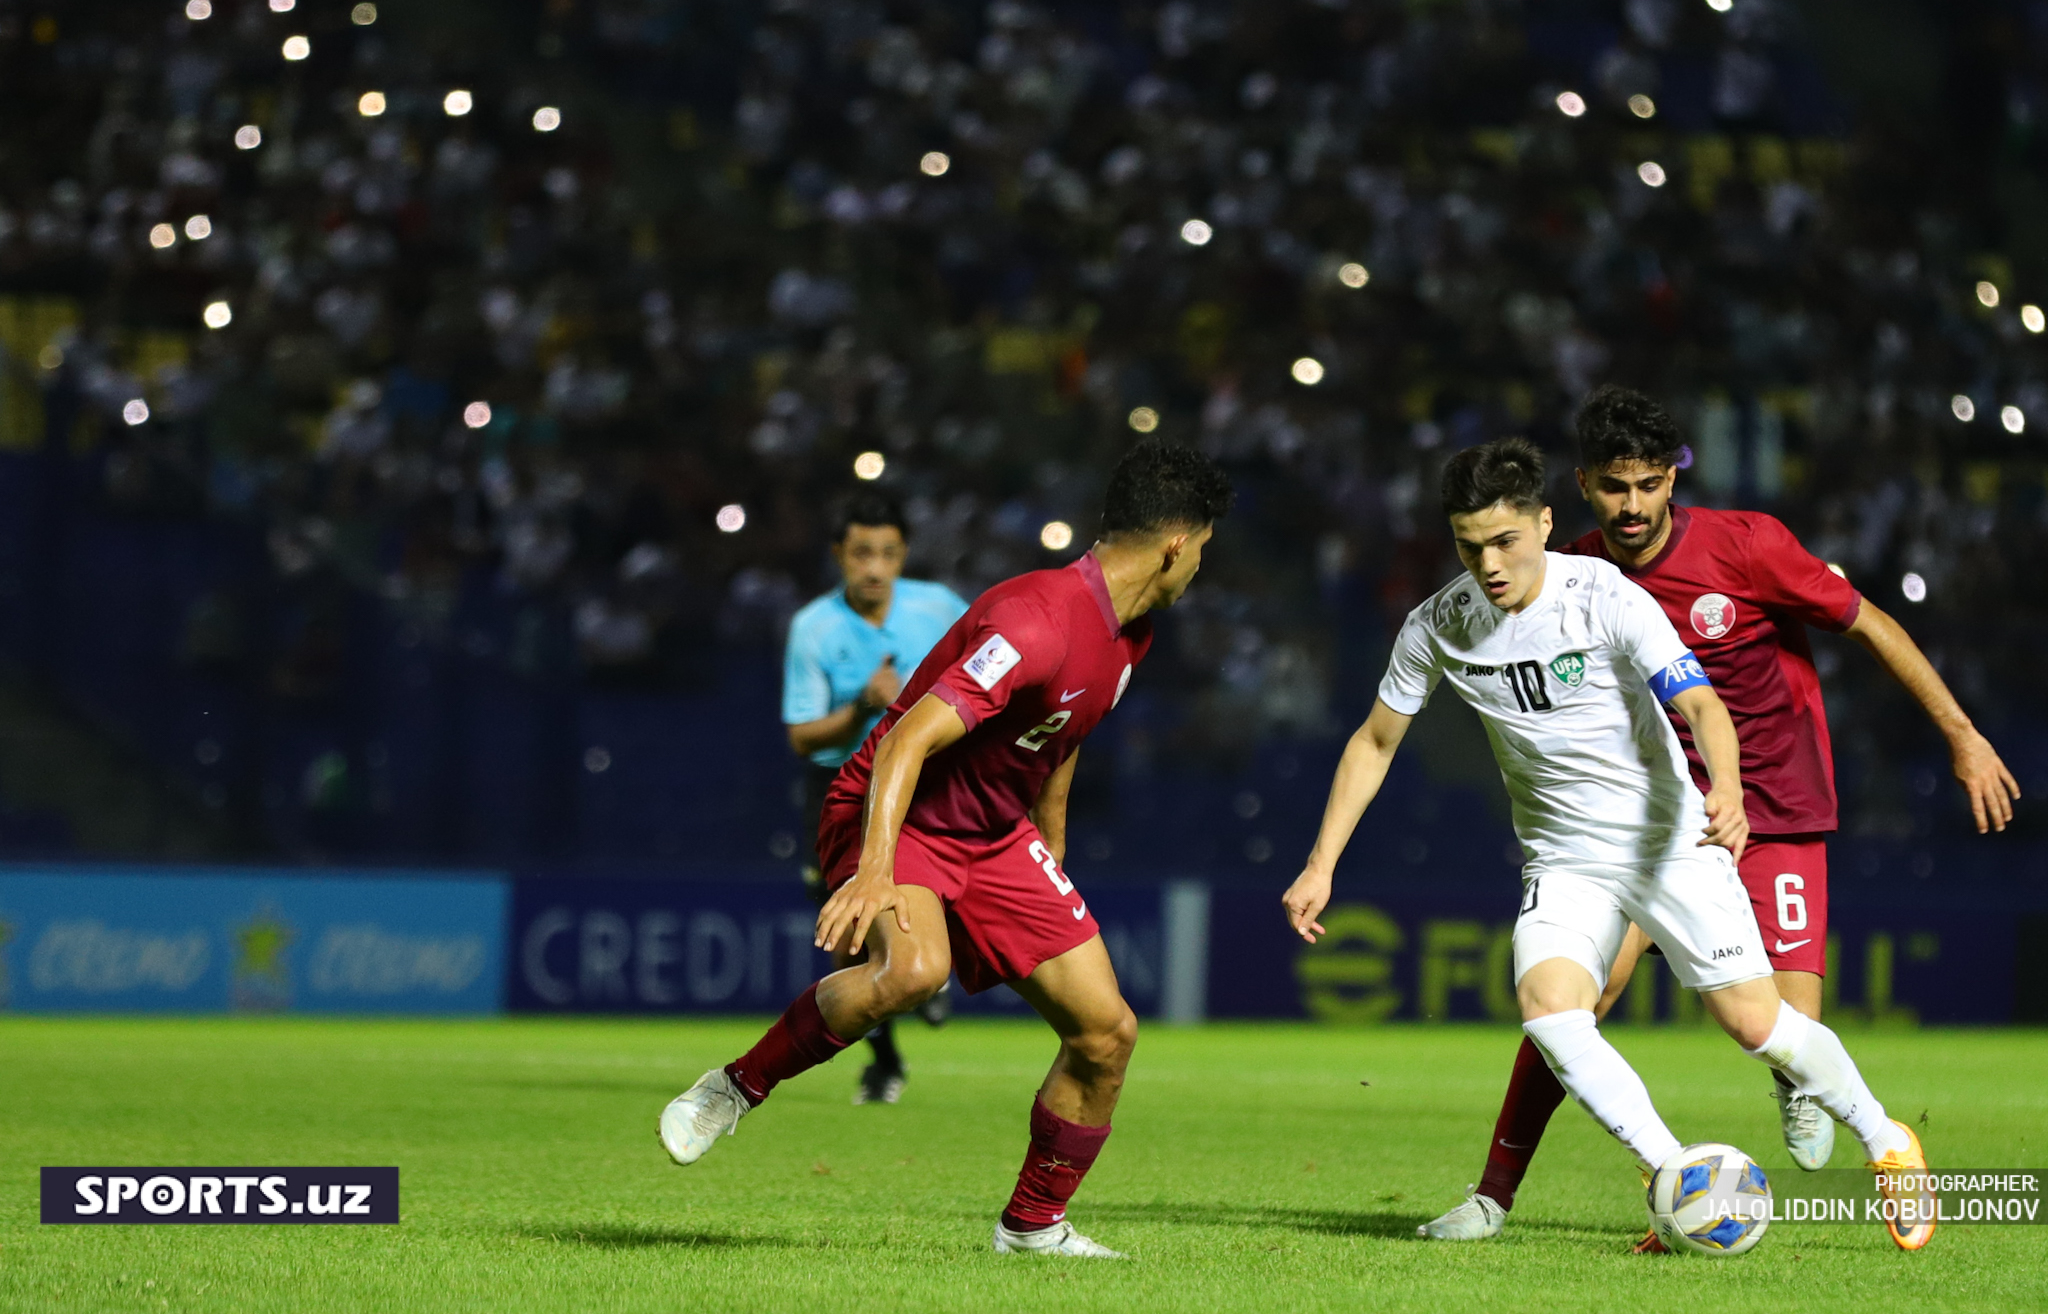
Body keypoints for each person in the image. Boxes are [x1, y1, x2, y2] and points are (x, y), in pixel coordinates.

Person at [1282, 437, 1937, 1256]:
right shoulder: (1440, 624)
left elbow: (1700, 704)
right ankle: (1676, 1175)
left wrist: (1726, 789)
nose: (1488, 562)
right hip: (1563, 859)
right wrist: (1321, 863)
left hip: (1667, 841)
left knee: (1755, 1024)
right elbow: (1374, 743)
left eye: (1505, 540)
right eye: (1469, 543)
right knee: (1552, 1012)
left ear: (1546, 523)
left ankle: (1887, 1142)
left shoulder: (1604, 593)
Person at [1419, 390, 2017, 1250]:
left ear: (1674, 479)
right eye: (1615, 487)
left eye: (1649, 485)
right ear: (1583, 486)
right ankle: (1507, 1193)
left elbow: (1871, 624)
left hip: (1770, 805)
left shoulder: (1748, 545)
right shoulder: (1573, 568)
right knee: (1572, 1004)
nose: (1632, 507)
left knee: (1775, 1025)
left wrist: (1961, 735)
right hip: (1650, 818)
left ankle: (1856, 1123)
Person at [660, 441, 1235, 1257]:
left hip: (997, 835)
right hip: (895, 808)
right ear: (1177, 542)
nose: (1199, 569)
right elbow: (903, 744)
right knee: (912, 969)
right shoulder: (1036, 620)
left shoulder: (1128, 637)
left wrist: (1052, 854)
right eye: (1204, 550)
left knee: (1107, 1032)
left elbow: (1060, 742)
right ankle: (733, 1086)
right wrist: (873, 868)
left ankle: (1034, 1225)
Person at [783, 491, 969, 1104]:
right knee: (847, 938)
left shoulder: (939, 607)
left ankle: (930, 975)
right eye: (862, 553)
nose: (874, 568)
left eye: (887, 554)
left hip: (929, 782)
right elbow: (802, 737)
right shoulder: (813, 627)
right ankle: (887, 1059)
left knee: (943, 894)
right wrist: (861, 707)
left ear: (903, 556)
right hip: (841, 789)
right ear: (839, 554)